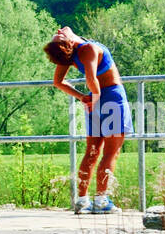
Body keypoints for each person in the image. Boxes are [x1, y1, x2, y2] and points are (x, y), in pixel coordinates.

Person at [44, 27, 133, 214]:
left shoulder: (70, 55)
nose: (60, 29)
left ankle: (83, 201)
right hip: (111, 97)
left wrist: (84, 98)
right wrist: (94, 96)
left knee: (92, 151)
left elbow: (58, 82)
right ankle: (101, 201)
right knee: (111, 152)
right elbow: (91, 79)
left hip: (93, 101)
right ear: (67, 43)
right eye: (59, 35)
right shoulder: (87, 49)